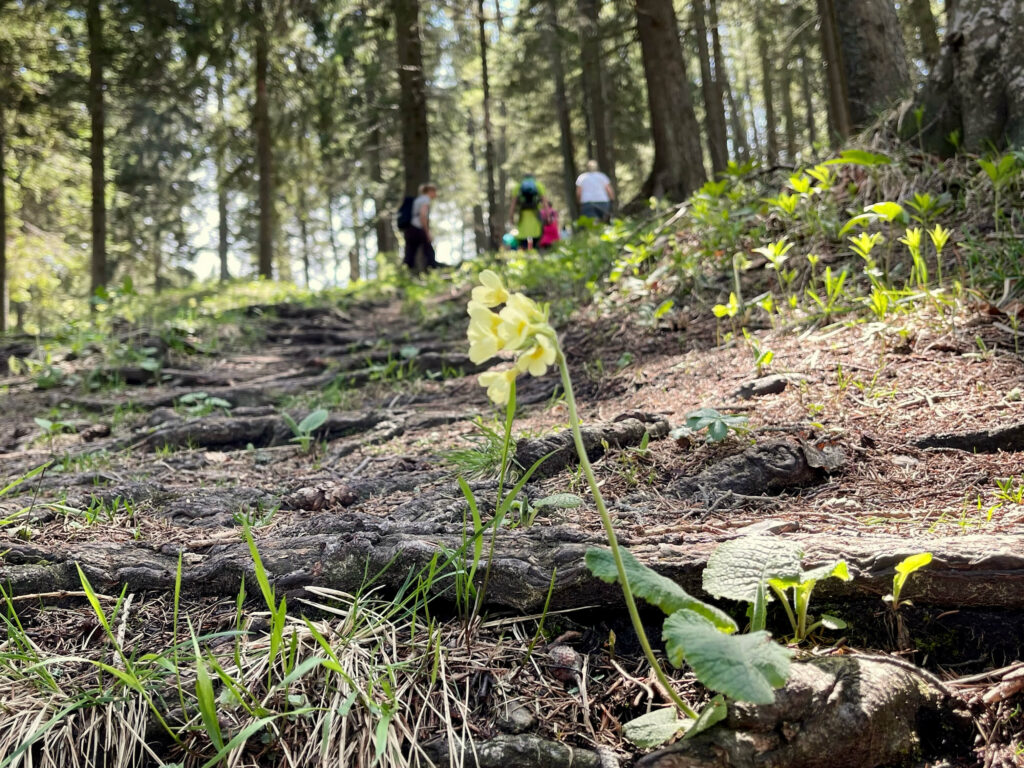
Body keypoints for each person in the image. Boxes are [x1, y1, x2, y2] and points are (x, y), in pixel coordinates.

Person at [404, 182, 439, 272]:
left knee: (410, 252)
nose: (436, 194)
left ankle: (406, 272)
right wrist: (427, 232)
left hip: (411, 228)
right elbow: (423, 215)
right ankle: (432, 270)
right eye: (434, 191)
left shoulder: (419, 199)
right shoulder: (426, 199)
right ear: (430, 191)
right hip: (418, 228)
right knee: (429, 250)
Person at [509, 174, 547, 250]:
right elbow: (545, 203)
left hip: (522, 218)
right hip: (535, 216)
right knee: (536, 240)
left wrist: (511, 217)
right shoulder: (538, 185)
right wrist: (547, 215)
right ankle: (535, 255)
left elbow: (513, 204)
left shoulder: (518, 186)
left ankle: (526, 257)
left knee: (524, 242)